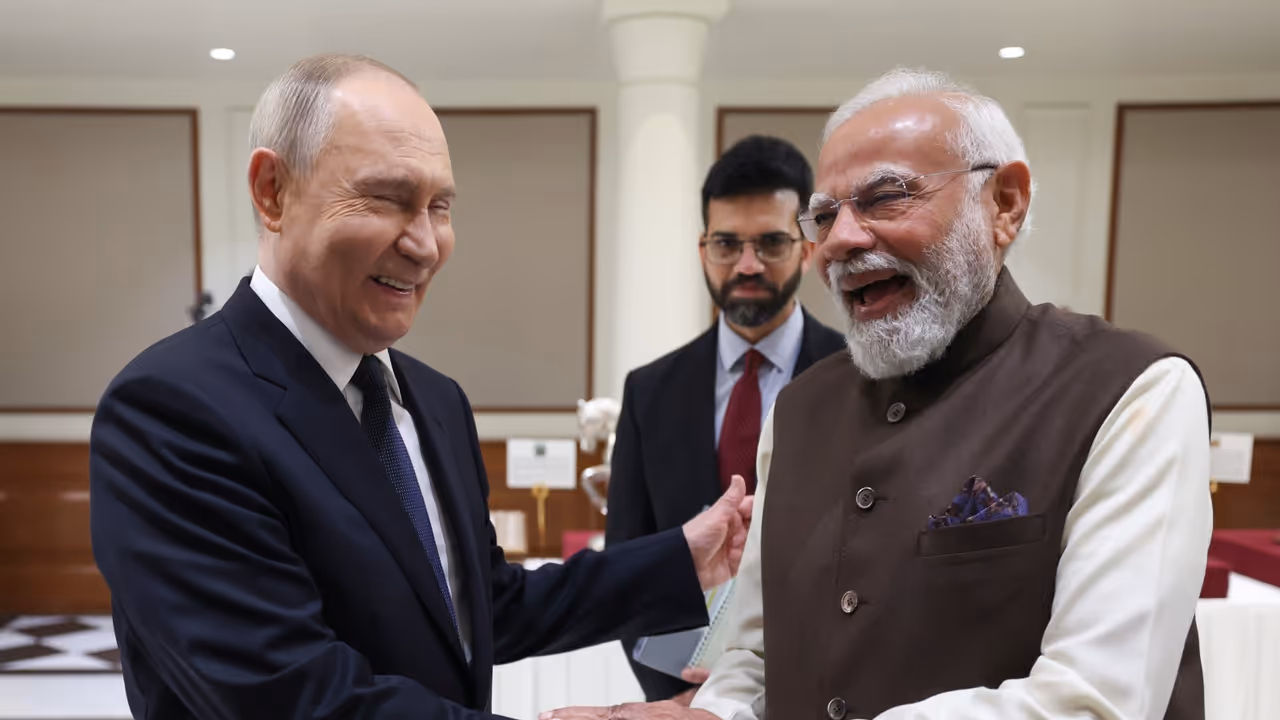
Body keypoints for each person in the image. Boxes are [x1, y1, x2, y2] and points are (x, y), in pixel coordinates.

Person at [88, 53, 753, 720]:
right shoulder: (172, 411)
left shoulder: (434, 402)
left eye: (440, 206)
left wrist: (679, 561)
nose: (426, 242)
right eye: (387, 198)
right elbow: (289, 695)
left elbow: (480, 607)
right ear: (272, 192)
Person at [544, 68, 1211, 720]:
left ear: (1005, 202)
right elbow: (755, 652)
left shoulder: (1130, 391)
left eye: (887, 197)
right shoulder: (801, 411)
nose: (842, 240)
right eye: (826, 215)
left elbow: (1097, 701)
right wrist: (714, 714)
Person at [605, 135, 845, 704]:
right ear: (702, 249)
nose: (747, 264)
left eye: (770, 243)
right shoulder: (649, 392)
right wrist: (679, 696)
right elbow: (626, 561)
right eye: (726, 244)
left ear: (807, 249)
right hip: (678, 692)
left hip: (819, 694)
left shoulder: (861, 377)